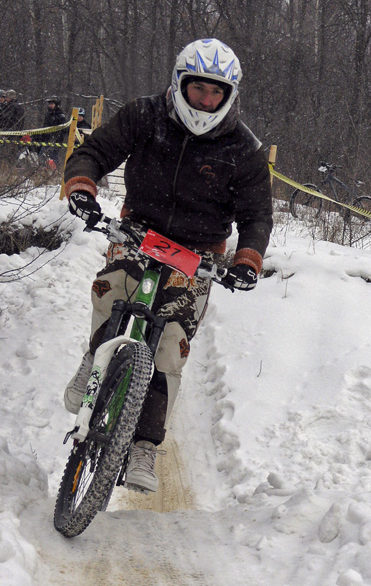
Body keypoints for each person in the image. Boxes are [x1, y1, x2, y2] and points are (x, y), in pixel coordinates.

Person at [62, 38, 273, 493]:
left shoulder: (244, 148)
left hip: (199, 253)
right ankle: (94, 357)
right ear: (179, 83)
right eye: (199, 89)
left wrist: (247, 260)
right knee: (110, 290)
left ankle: (144, 446)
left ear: (230, 95)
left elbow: (257, 215)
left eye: (216, 92)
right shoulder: (144, 115)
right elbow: (95, 151)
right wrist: (82, 187)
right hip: (138, 230)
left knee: (171, 346)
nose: (206, 100)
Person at [40, 96, 67, 167]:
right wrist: (42, 135)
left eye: (52, 104)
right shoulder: (48, 114)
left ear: (56, 104)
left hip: (56, 139)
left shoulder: (60, 115)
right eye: (49, 104)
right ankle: (41, 168)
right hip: (47, 138)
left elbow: (64, 127)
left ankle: (56, 169)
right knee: (42, 155)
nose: (50, 105)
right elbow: (45, 125)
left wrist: (58, 136)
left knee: (53, 155)